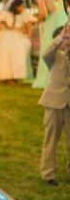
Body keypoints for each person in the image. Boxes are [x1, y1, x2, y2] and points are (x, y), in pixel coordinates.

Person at [39, 24, 70, 186]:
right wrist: (62, 36)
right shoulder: (53, 56)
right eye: (66, 38)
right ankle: (48, 174)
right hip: (54, 103)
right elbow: (47, 52)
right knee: (51, 140)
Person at [32, 0, 68, 89]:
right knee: (64, 48)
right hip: (63, 18)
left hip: (52, 21)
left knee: (49, 49)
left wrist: (36, 20)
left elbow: (43, 13)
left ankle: (46, 79)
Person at [0, 0, 32, 83]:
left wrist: (23, 32)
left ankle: (15, 75)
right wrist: (8, 27)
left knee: (15, 47)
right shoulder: (7, 15)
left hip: (20, 37)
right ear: (16, 7)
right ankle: (6, 75)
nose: (23, 8)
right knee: (5, 46)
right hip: (8, 35)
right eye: (22, 6)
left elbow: (29, 31)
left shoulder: (25, 15)